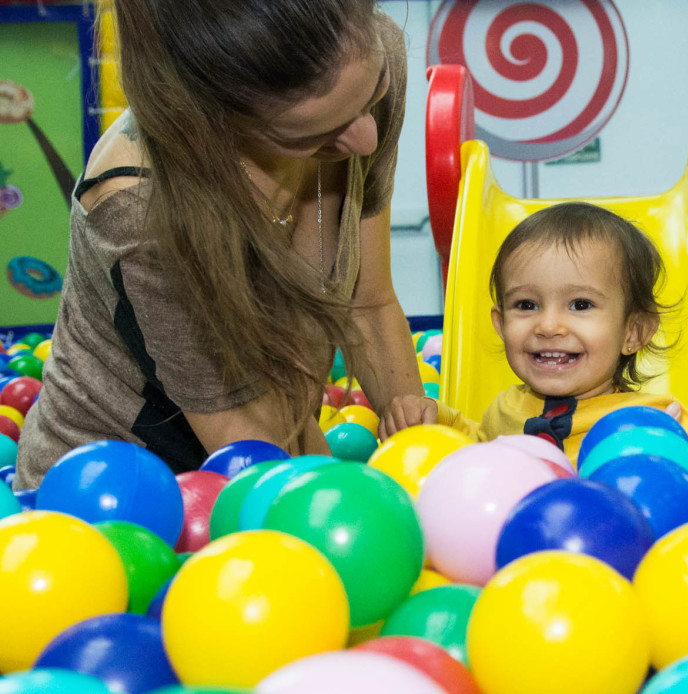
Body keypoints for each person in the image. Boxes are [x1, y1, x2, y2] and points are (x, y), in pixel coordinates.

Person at [14, 0, 433, 489]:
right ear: (216, 122)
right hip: (109, 496)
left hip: (273, 447)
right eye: (316, 136)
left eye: (372, 96)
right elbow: (257, 457)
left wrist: (424, 462)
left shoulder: (360, 60)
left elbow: (367, 303)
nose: (367, 139)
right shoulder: (143, 210)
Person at [387, 201, 688, 477]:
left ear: (633, 332)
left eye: (580, 304)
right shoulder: (505, 411)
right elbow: (473, 455)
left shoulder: (658, 419)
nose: (549, 325)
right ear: (501, 323)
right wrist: (433, 418)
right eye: (527, 305)